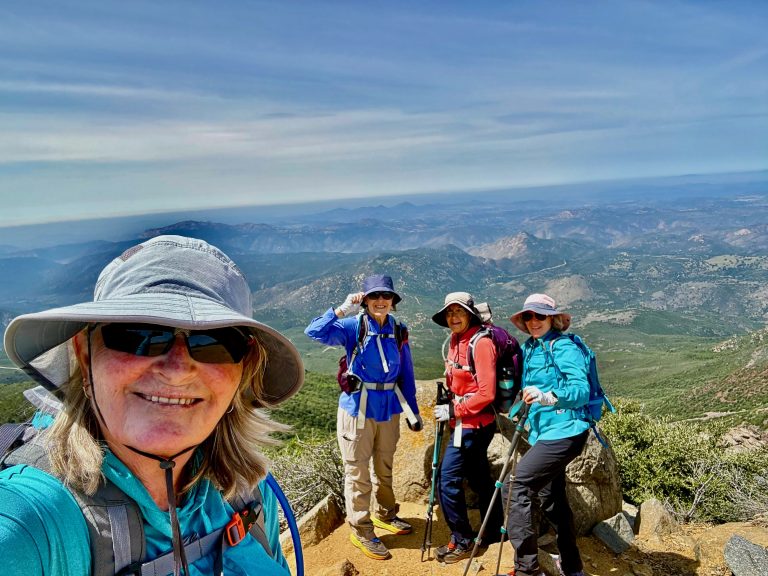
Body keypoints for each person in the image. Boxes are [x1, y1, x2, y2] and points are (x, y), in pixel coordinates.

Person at [0, 235, 304, 576]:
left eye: (216, 342)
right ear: (85, 357)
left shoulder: (247, 492)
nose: (176, 371)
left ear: (242, 371)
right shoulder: (35, 523)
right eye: (138, 334)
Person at [304, 274, 422, 560]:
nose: (381, 301)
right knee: (357, 473)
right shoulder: (352, 327)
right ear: (365, 300)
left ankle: (386, 514)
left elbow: (406, 372)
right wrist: (341, 309)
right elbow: (314, 331)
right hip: (357, 408)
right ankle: (361, 529)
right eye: (374, 296)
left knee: (384, 466)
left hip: (389, 408)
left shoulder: (398, 330)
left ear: (393, 301)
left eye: (386, 296)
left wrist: (413, 411)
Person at [500, 293, 590, 576]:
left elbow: (581, 390)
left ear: (552, 319)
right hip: (545, 433)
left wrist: (549, 396)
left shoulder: (563, 347)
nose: (534, 321)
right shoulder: (530, 347)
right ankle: (572, 566)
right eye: (528, 316)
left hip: (566, 431)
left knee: (514, 486)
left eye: (540, 315)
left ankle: (527, 570)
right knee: (552, 498)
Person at [431, 292, 503, 564]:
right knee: (479, 477)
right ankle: (494, 531)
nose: (453, 317)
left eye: (458, 311)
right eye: (449, 313)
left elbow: (486, 393)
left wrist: (454, 410)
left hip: (473, 425)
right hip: (465, 422)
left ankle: (462, 540)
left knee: (447, 480)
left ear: (470, 315)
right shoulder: (455, 339)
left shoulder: (481, 344)